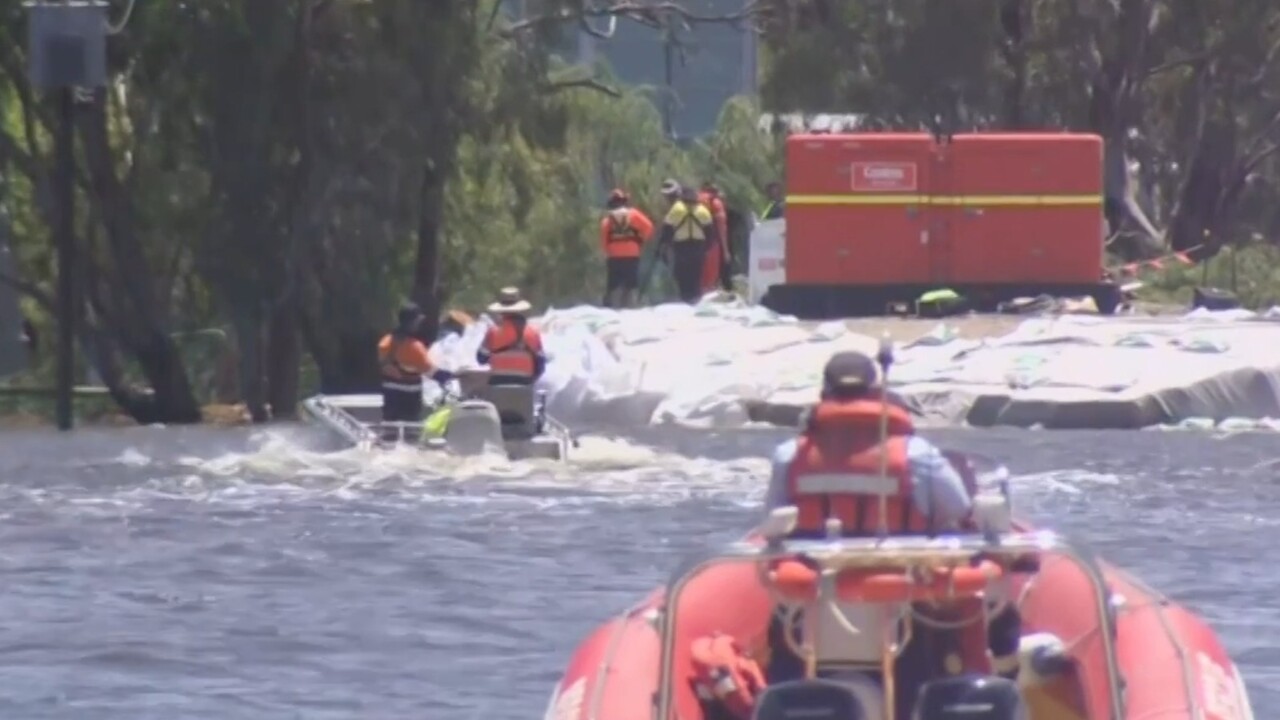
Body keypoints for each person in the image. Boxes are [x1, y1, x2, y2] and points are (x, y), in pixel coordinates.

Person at [378, 303, 452, 423]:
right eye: (418, 321)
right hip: (409, 400)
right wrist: (450, 376)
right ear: (411, 322)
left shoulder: (384, 342)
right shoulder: (415, 348)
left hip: (390, 397)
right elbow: (431, 372)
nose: (419, 324)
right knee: (409, 433)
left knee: (390, 430)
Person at [657, 179, 717, 304]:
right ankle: (695, 301)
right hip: (698, 247)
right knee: (696, 276)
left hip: (681, 247)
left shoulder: (676, 209)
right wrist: (705, 249)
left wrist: (663, 248)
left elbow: (667, 230)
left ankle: (685, 300)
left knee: (682, 276)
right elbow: (711, 233)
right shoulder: (703, 210)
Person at [477, 287, 546, 386]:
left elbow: (481, 358)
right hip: (524, 383)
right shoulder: (533, 332)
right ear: (520, 310)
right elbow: (541, 365)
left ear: (501, 311)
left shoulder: (493, 331)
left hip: (498, 383)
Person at [600, 188, 654, 309]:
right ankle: (631, 307)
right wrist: (639, 241)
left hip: (614, 257)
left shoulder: (607, 220)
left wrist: (608, 251)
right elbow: (649, 227)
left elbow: (604, 241)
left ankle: (614, 308)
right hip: (632, 255)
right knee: (631, 286)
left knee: (614, 287)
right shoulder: (633, 214)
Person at [698, 182, 731, 295]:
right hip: (711, 242)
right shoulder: (715, 203)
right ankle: (707, 295)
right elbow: (722, 228)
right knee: (710, 275)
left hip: (693, 242)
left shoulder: (694, 200)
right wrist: (726, 251)